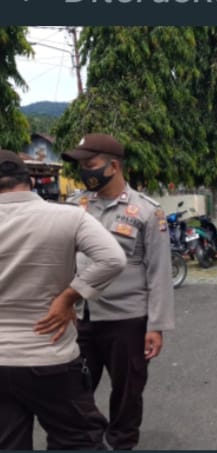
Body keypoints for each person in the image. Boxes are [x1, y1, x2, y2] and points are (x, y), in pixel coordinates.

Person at [0, 149, 126, 450]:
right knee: (78, 440)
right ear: (29, 180)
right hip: (49, 357)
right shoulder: (68, 216)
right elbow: (113, 259)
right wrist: (70, 296)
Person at [62, 133, 175, 450]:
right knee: (75, 389)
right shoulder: (74, 207)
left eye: (90, 164)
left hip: (128, 320)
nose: (85, 171)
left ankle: (121, 442)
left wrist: (156, 326)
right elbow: (63, 261)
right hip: (82, 318)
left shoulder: (146, 212)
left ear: (114, 165)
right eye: (82, 165)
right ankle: (86, 440)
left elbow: (159, 272)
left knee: (128, 391)